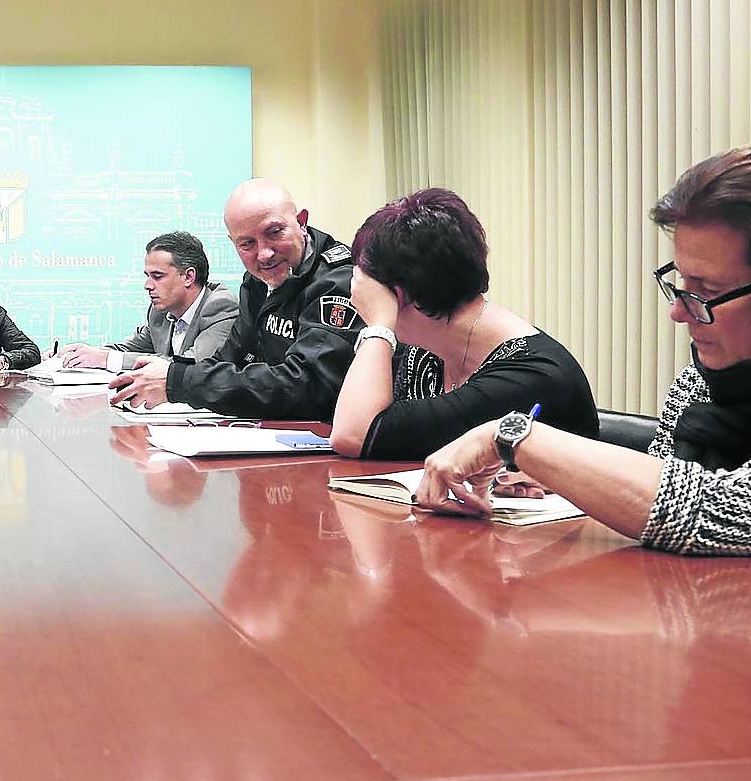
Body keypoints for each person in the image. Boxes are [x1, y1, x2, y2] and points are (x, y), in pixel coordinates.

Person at [420, 148, 751, 556]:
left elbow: (717, 513)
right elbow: (670, 482)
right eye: (681, 284)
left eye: (709, 293)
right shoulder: (697, 383)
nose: (678, 311)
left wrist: (512, 438)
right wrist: (562, 473)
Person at [328, 189, 598, 459]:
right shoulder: (425, 349)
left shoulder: (530, 376)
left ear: (397, 296)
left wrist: (379, 326)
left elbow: (354, 435)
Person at [110, 179, 363, 418]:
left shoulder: (338, 282)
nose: (264, 254)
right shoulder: (256, 281)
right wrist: (171, 378)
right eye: (247, 244)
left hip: (325, 441)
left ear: (301, 222)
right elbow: (232, 357)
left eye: (274, 232)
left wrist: (179, 381)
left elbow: (306, 385)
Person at [59, 231, 239, 371]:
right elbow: (128, 349)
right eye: (148, 276)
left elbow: (192, 365)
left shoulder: (220, 307)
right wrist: (85, 354)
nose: (147, 285)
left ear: (188, 276)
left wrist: (105, 359)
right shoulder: (159, 312)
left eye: (157, 276)